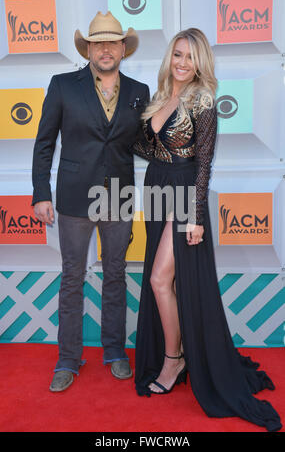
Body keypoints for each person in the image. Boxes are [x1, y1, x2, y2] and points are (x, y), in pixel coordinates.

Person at [133, 28, 282, 432]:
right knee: (169, 282)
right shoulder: (160, 98)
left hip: (183, 191)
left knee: (160, 279)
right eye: (178, 54)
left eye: (190, 57)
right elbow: (149, 149)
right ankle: (178, 352)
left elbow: (203, 164)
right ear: (170, 57)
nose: (182, 62)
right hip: (156, 186)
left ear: (201, 63)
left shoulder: (203, 101)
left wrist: (196, 215)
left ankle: (174, 359)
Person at [32, 11, 150, 391]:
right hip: (73, 199)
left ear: (122, 48)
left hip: (119, 197)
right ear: (89, 48)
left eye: (111, 42)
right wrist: (40, 194)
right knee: (72, 277)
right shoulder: (64, 85)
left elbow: (144, 144)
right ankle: (68, 358)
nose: (105, 49)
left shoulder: (139, 91)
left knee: (115, 276)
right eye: (97, 42)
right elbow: (44, 143)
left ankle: (115, 351)